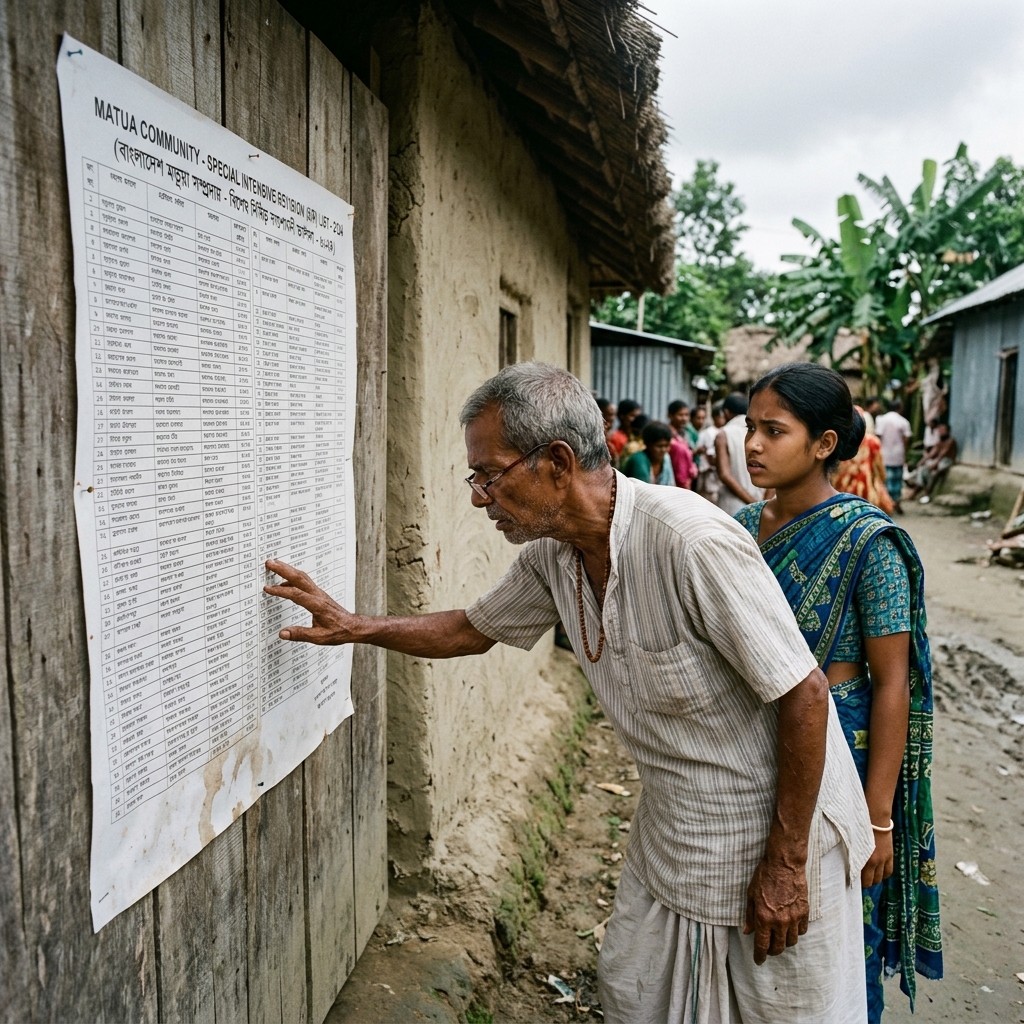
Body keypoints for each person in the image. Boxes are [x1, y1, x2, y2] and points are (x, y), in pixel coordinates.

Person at [265, 362, 874, 1024]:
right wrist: (355, 626)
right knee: (638, 994)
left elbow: (805, 694)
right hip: (674, 833)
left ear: (557, 461)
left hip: (776, 836)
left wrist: (786, 865)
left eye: (489, 475)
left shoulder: (688, 540)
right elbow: (473, 629)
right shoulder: (555, 554)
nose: (479, 497)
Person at [735, 363, 942, 1023]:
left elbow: (892, 687)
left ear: (824, 443)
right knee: (752, 912)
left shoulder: (868, 542)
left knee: (840, 928)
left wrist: (878, 819)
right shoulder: (737, 529)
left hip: (840, 760)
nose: (753, 445)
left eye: (774, 430)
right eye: (750, 428)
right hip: (746, 745)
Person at [833, 407, 894, 515]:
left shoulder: (838, 440)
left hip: (843, 486)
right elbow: (879, 466)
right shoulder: (873, 441)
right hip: (867, 486)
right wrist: (881, 480)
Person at [715, 392, 765, 515]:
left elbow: (725, 475)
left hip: (732, 506)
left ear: (726, 412)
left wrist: (751, 502)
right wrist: (762, 504)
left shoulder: (723, 434)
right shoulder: (763, 431)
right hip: (761, 503)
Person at [875, 400, 912, 513]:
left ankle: (887, 504)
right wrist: (905, 454)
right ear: (899, 408)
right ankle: (896, 503)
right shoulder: (903, 421)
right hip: (898, 455)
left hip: (884, 454)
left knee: (886, 481)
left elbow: (878, 437)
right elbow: (906, 439)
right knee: (897, 481)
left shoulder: (881, 420)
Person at [906, 424, 957, 502]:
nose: (941, 432)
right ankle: (917, 487)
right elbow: (931, 454)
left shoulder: (950, 441)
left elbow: (942, 455)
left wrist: (935, 463)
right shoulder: (939, 441)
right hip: (938, 460)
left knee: (935, 473)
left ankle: (928, 492)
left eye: (943, 430)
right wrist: (921, 462)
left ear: (948, 431)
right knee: (922, 469)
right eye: (940, 431)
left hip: (946, 460)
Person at [623, 420, 676, 485]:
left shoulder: (666, 458)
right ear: (648, 445)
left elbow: (671, 486)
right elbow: (641, 489)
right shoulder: (638, 460)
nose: (663, 450)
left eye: (666, 446)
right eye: (659, 446)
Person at [695, 401, 725, 502]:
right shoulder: (709, 433)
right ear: (716, 417)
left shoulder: (723, 431)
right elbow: (711, 457)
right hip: (709, 474)